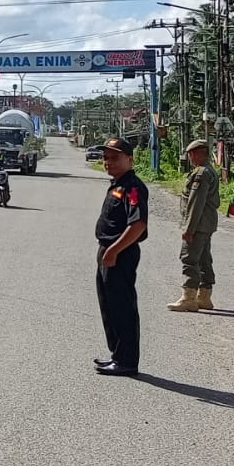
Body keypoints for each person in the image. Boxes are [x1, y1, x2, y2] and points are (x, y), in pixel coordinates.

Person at [93, 137, 149, 376]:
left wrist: (114, 250)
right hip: (108, 251)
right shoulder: (117, 184)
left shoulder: (132, 187)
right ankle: (117, 355)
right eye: (106, 157)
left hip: (120, 253)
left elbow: (137, 225)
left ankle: (127, 361)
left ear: (130, 159)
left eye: (114, 157)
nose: (108, 162)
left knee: (122, 307)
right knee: (109, 306)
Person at [169, 139, 220, 313]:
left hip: (198, 224)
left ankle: (189, 298)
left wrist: (189, 229)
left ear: (200, 153)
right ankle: (204, 297)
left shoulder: (202, 173)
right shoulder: (208, 171)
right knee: (204, 259)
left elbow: (196, 203)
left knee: (189, 258)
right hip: (207, 223)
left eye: (192, 153)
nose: (189, 157)